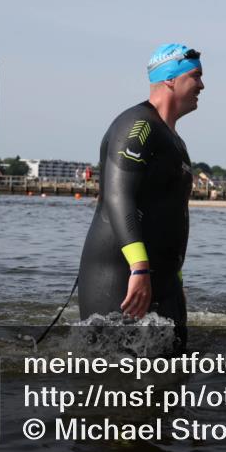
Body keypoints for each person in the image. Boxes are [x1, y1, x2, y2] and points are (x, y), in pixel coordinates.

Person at [77, 43, 203, 352]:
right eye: (196, 76)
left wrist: (177, 278)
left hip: (163, 278)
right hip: (121, 273)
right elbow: (118, 198)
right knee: (116, 380)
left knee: (173, 372)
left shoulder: (175, 141)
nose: (202, 85)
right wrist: (140, 267)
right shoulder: (138, 125)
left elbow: (174, 216)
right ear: (170, 79)